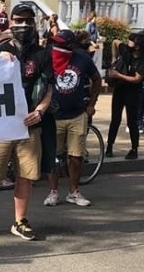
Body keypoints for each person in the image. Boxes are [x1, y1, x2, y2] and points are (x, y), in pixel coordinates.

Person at [0, 2, 53, 242]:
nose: (23, 25)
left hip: (29, 127)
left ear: (34, 23)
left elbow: (49, 87)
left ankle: (20, 221)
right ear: (10, 22)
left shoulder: (43, 54)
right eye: (18, 20)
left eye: (27, 20)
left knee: (25, 176)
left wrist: (41, 110)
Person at [42, 29, 101, 207]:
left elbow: (97, 79)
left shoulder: (82, 59)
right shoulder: (47, 57)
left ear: (69, 45)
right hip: (53, 116)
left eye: (61, 44)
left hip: (77, 114)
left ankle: (74, 192)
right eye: (55, 43)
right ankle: (53, 192)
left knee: (76, 156)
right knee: (53, 156)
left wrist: (91, 104)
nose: (56, 47)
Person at [105, 32, 144, 160]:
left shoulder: (141, 61)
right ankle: (109, 147)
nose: (128, 42)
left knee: (131, 121)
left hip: (133, 92)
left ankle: (134, 149)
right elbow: (115, 41)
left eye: (131, 41)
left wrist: (119, 75)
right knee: (115, 119)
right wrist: (114, 58)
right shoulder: (126, 51)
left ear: (138, 46)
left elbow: (137, 79)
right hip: (119, 90)